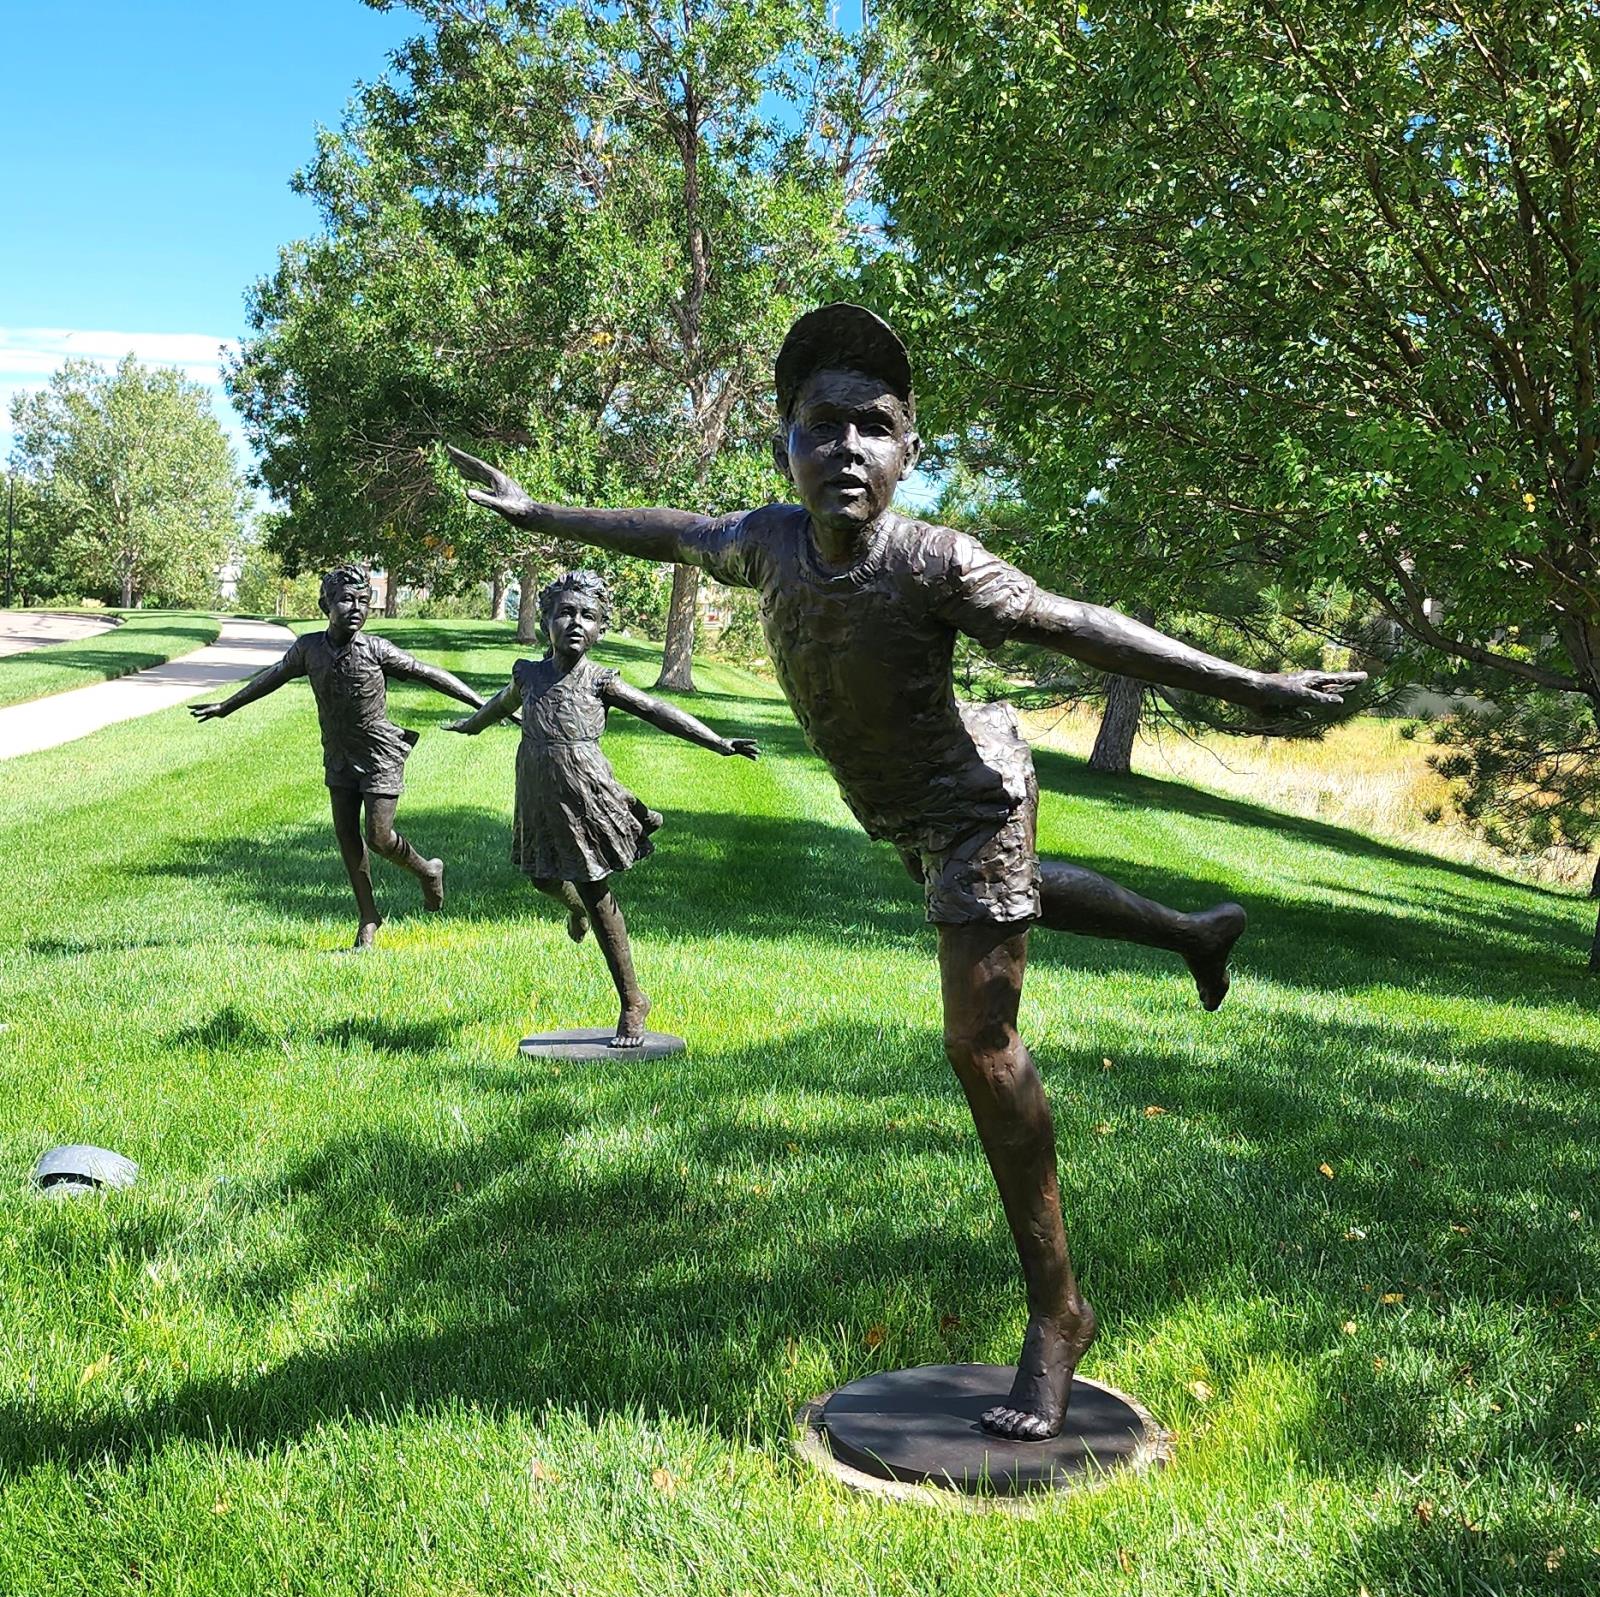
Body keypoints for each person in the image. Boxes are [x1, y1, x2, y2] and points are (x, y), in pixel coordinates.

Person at [446, 302, 1364, 1439]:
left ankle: (1057, 1313)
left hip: (977, 797)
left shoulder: (938, 561)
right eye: (821, 426)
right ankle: (1190, 930)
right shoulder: (764, 541)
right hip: (902, 812)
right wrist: (541, 511)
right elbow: (664, 528)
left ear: (908, 452)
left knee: (977, 1036)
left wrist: (1252, 688)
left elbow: (1080, 626)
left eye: (873, 427)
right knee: (991, 903)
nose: (846, 449)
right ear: (783, 442)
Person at [444, 567, 759, 1048]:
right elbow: (501, 704)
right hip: (535, 790)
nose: (575, 623)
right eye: (565, 612)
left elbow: (658, 710)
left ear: (600, 629)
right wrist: (472, 725)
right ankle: (575, 911)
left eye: (587, 616)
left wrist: (718, 742)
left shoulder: (600, 681)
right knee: (543, 878)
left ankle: (632, 1000)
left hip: (586, 793)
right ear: (546, 618)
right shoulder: (528, 674)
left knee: (594, 886)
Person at [191, 563, 487, 949]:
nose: (356, 609)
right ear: (324, 605)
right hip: (339, 753)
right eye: (346, 600)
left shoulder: (376, 649)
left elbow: (427, 672)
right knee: (347, 837)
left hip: (380, 752)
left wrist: (486, 705)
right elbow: (273, 677)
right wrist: (227, 706)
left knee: (379, 838)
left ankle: (427, 870)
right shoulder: (308, 648)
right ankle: (368, 919)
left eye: (364, 601)